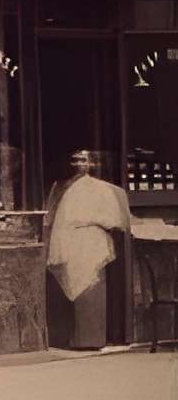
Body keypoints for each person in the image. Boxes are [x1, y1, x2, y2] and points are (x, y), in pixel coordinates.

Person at [45, 149, 132, 350]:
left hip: (92, 244)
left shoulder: (104, 189)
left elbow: (115, 220)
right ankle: (76, 338)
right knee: (75, 289)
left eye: (83, 160)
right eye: (75, 160)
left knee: (90, 287)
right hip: (70, 242)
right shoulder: (62, 188)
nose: (78, 165)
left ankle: (91, 339)